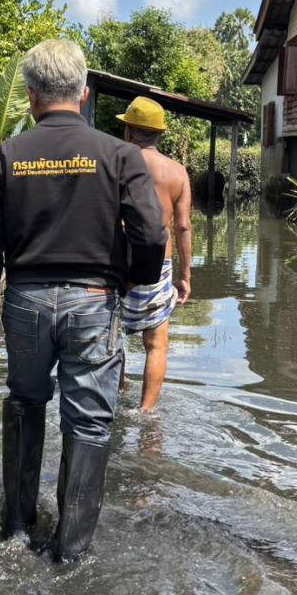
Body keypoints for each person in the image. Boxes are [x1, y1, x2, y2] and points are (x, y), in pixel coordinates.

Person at [0, 39, 167, 563]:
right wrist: (135, 284)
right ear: (83, 93)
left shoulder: (4, 156)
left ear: (31, 97)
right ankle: (71, 552)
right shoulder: (120, 155)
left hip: (26, 302)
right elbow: (150, 234)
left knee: (25, 404)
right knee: (90, 424)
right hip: (94, 302)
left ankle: (15, 529)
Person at [115, 96, 192, 412]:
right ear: (159, 133)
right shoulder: (177, 172)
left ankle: (117, 395)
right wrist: (185, 276)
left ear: (130, 130)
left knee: (112, 338)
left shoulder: (116, 162)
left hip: (117, 261)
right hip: (160, 263)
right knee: (156, 345)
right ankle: (146, 413)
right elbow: (183, 227)